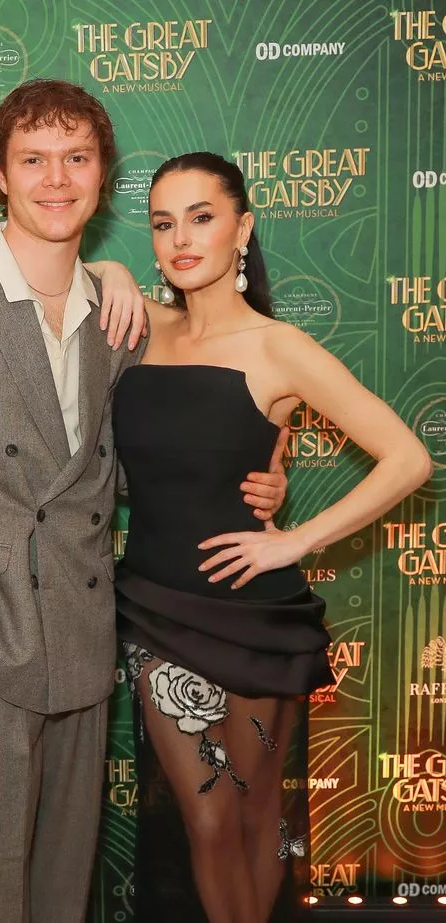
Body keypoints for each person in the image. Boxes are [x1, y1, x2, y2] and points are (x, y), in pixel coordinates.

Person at [0, 82, 285, 923]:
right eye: (33, 159)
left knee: (60, 889)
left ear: (102, 175)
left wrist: (264, 473)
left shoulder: (118, 317)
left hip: (82, 639)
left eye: (76, 158)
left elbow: (143, 456)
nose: (56, 178)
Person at [113, 151, 433, 923]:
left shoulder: (278, 347)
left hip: (256, 614)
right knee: (209, 817)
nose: (180, 238)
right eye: (162, 222)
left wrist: (294, 541)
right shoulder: (139, 327)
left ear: (242, 228)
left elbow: (408, 457)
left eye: (202, 216)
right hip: (157, 608)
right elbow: (73, 269)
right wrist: (115, 276)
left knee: (257, 821)